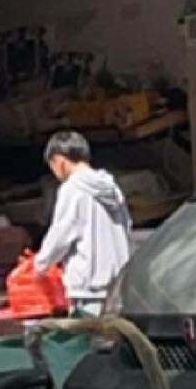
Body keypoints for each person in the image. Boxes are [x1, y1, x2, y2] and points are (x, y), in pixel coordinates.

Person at [32, 128, 133, 315]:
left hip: (89, 288)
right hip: (119, 285)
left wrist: (40, 265)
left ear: (59, 161)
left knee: (88, 341)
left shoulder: (72, 189)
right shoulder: (113, 188)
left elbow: (61, 235)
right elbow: (127, 227)